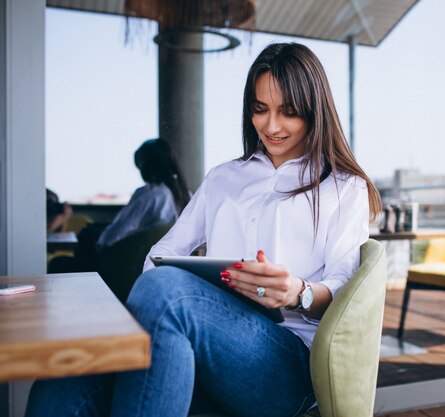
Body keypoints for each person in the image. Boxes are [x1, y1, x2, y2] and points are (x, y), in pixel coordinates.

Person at [26, 42, 382, 417]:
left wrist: (298, 292)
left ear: (314, 111)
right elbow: (160, 258)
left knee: (169, 294)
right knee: (64, 377)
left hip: (287, 363)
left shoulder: (343, 187)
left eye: (288, 112)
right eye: (260, 110)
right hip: (206, 345)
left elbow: (345, 291)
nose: (271, 126)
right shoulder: (224, 178)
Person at [95, 138, 191, 251]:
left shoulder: (149, 196)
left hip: (131, 265)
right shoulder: (187, 196)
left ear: (147, 167)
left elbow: (109, 240)